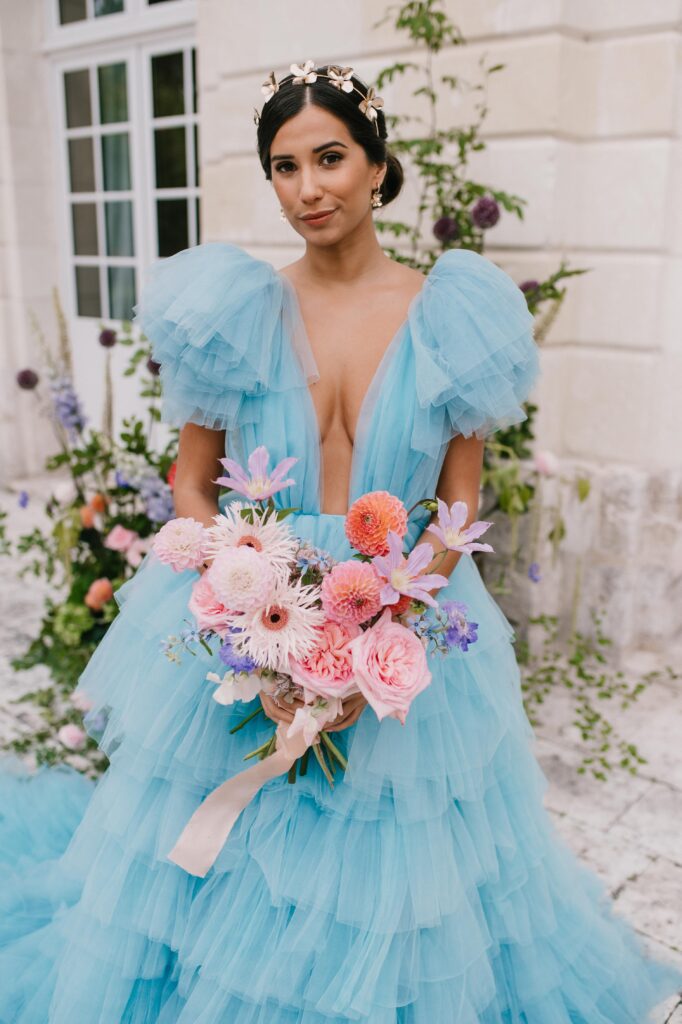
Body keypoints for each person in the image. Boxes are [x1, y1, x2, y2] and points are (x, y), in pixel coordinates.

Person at [0, 60, 680, 1023]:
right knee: (225, 845)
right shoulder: (236, 311)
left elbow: (457, 505)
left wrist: (374, 635)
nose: (307, 189)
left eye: (330, 158)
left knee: (392, 854)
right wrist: (250, 604)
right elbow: (192, 480)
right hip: (251, 608)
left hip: (407, 614)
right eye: (284, 167)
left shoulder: (451, 315)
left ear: (376, 166)